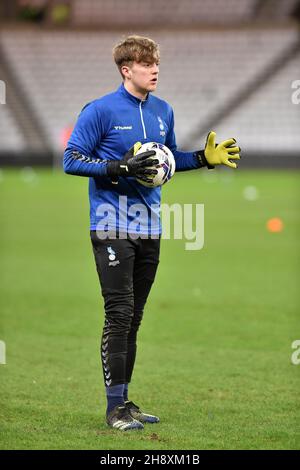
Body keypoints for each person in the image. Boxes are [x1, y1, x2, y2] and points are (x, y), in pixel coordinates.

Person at [63, 35, 241, 431]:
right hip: (110, 224)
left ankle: (125, 402)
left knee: (135, 317)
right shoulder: (100, 110)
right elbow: (71, 160)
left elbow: (168, 158)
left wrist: (201, 159)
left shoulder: (163, 110)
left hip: (151, 226)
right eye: (146, 64)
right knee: (119, 313)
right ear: (127, 70)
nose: (154, 69)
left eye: (156, 62)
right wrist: (118, 168)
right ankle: (113, 410)